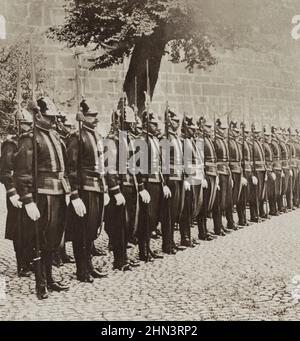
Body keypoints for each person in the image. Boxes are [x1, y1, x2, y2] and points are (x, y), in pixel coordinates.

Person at [14, 97, 70, 299]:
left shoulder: (54, 136)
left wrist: (70, 192)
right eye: (49, 117)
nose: (54, 121)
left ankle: (50, 277)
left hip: (58, 193)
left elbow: (64, 169)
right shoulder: (30, 138)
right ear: (38, 115)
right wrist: (28, 200)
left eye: (54, 117)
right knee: (40, 238)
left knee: (53, 239)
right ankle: (41, 283)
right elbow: (22, 172)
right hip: (42, 195)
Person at [66, 99, 109, 282]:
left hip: (97, 187)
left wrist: (105, 188)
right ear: (83, 116)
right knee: (81, 231)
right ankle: (81, 270)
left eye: (96, 115)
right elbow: (71, 168)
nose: (95, 119)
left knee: (92, 229)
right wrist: (74, 195)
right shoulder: (77, 137)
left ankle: (89, 265)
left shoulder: (97, 136)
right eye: (92, 116)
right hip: (84, 189)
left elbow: (102, 165)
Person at [105, 100, 148, 270]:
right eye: (128, 122)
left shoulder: (130, 140)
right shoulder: (111, 140)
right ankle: (119, 259)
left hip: (131, 187)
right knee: (118, 225)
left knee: (129, 223)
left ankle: (124, 257)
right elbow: (109, 168)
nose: (131, 125)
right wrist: (115, 190)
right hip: (120, 187)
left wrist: (142, 187)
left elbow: (135, 166)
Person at [197, 117, 218, 241]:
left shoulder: (209, 140)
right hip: (206, 175)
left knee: (208, 203)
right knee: (203, 205)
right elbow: (200, 160)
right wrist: (203, 176)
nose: (210, 129)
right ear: (202, 127)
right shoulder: (200, 140)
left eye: (210, 127)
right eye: (207, 127)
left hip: (213, 174)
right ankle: (202, 232)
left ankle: (205, 230)